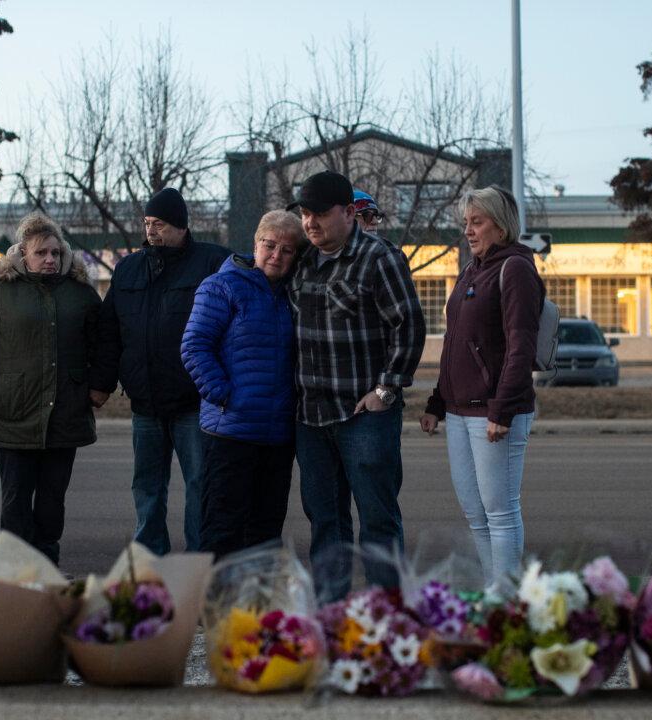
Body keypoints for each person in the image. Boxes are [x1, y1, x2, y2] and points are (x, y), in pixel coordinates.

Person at [287, 170, 425, 600]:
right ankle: (332, 616)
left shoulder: (377, 257)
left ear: (348, 212)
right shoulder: (303, 262)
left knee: (378, 521)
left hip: (364, 417)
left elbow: (409, 325)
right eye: (305, 215)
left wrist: (386, 390)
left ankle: (389, 616)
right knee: (325, 522)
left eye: (320, 215)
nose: (310, 223)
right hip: (311, 418)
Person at [89, 188, 230, 554]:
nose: (152, 231)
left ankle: (200, 561)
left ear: (181, 226)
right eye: (148, 224)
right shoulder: (128, 269)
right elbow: (110, 332)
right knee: (147, 486)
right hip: (145, 403)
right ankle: (151, 558)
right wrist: (101, 384)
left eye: (161, 224)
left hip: (193, 402)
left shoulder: (212, 262)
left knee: (201, 485)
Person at [419, 186, 543, 587]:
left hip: (493, 410)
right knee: (476, 513)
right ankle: (496, 592)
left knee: (500, 513)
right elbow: (456, 341)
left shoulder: (516, 269)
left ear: (501, 225)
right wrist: (437, 403)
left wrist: (502, 408)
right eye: (465, 223)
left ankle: (507, 602)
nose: (469, 231)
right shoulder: (471, 270)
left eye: (478, 222)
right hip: (458, 410)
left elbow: (520, 344)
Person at [0, 212, 101, 566]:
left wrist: (98, 386)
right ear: (23, 254)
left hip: (65, 413)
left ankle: (47, 567)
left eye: (55, 252)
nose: (50, 260)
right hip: (13, 412)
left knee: (52, 501)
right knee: (15, 501)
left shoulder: (80, 292)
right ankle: (13, 573)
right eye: (41, 253)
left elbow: (104, 341)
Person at [181, 210, 304, 559]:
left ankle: (256, 610)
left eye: (287, 249)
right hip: (230, 431)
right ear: (255, 244)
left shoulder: (292, 294)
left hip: (277, 436)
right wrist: (224, 395)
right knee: (222, 531)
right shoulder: (222, 286)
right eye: (269, 245)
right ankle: (215, 609)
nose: (276, 255)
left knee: (265, 534)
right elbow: (194, 345)